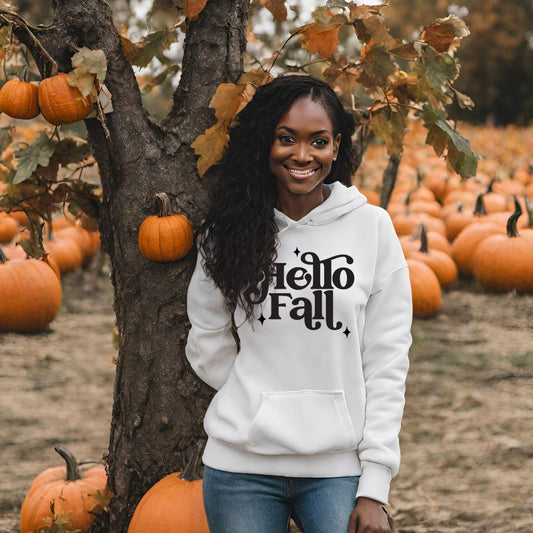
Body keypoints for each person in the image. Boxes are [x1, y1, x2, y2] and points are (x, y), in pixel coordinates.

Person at [185, 74, 412, 533]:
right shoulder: (227, 232)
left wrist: (375, 486)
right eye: (286, 138)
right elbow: (206, 336)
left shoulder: (371, 228)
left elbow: (387, 361)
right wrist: (258, 397)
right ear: (264, 144)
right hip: (240, 468)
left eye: (318, 141)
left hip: (338, 471)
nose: (302, 155)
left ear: (336, 147)